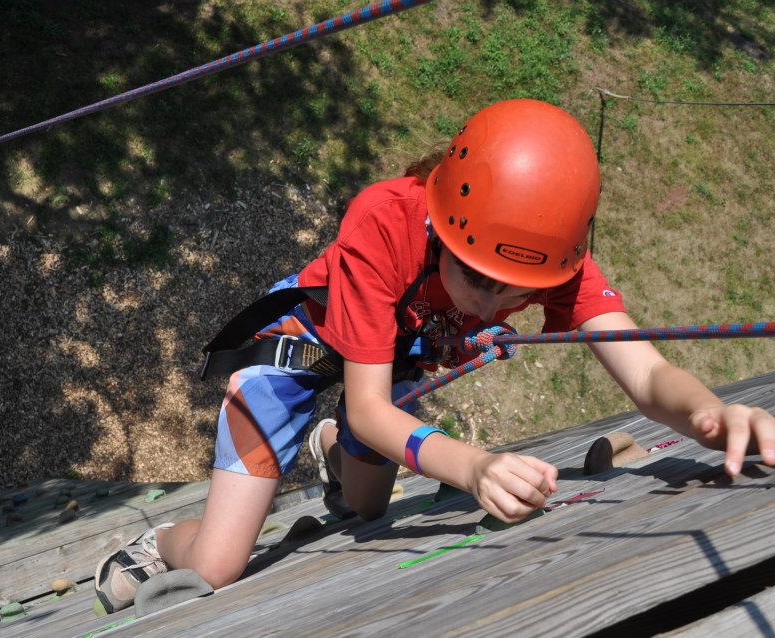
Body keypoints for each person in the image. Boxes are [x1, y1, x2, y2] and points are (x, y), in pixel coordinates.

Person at [93, 99, 775, 613]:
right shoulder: (383, 221)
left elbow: (648, 373)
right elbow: (367, 402)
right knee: (218, 565)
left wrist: (712, 415)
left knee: (364, 513)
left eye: (520, 291)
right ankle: (163, 543)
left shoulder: (544, 258)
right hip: (299, 352)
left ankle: (336, 448)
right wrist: (474, 467)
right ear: (445, 231)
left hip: (387, 362)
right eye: (477, 280)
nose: (490, 305)